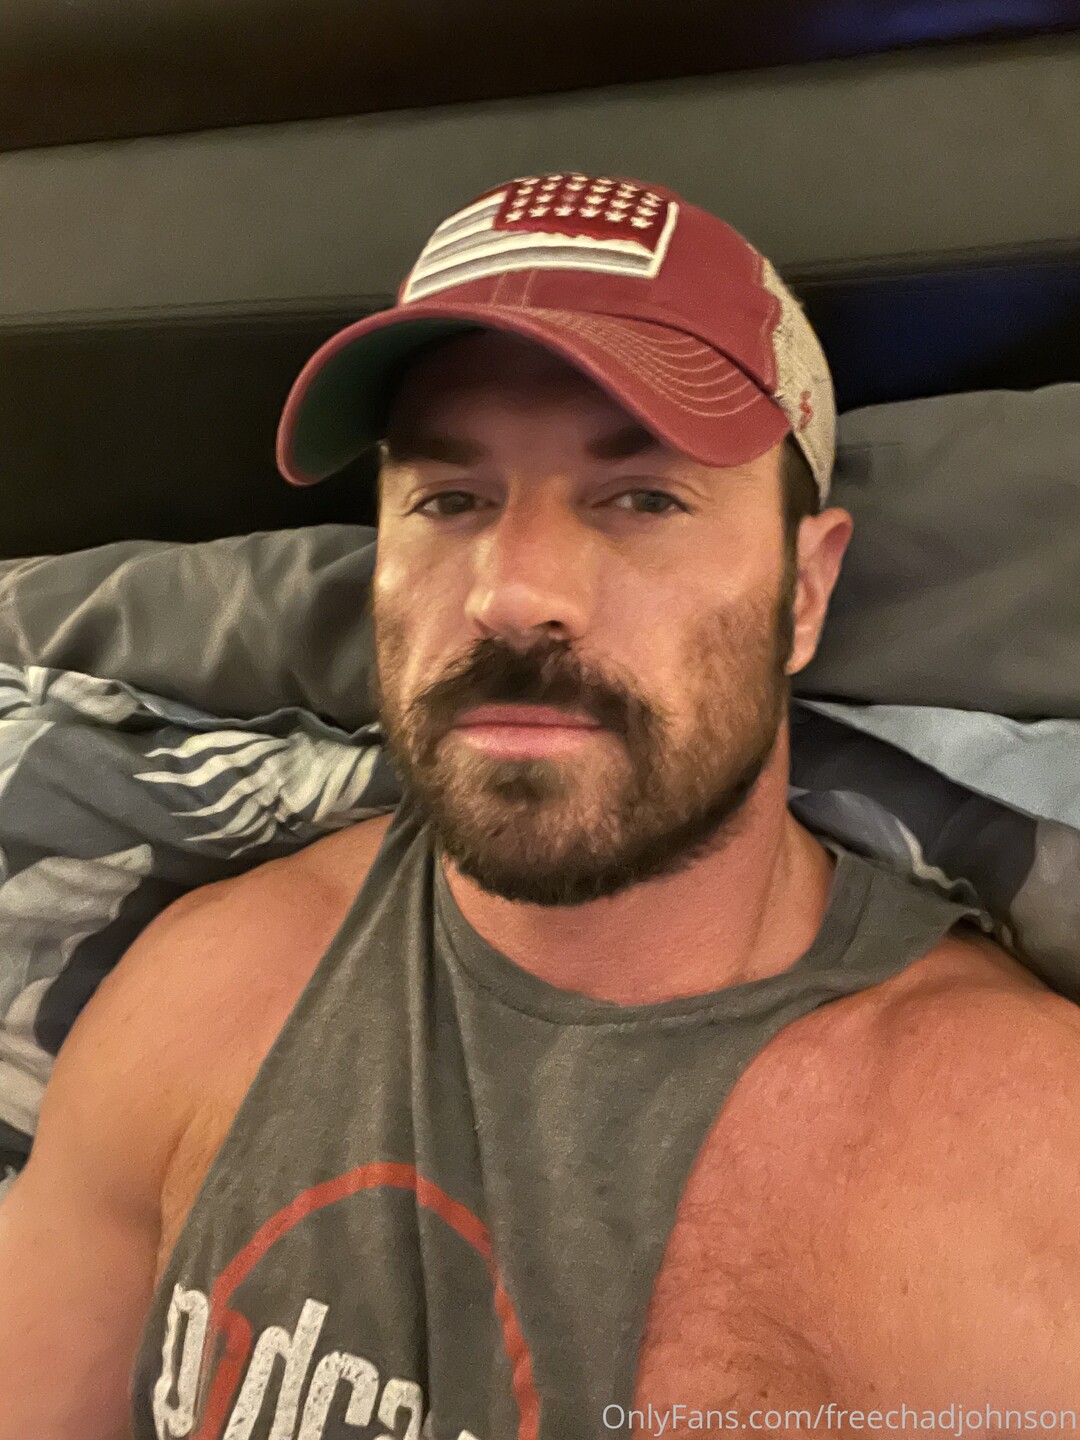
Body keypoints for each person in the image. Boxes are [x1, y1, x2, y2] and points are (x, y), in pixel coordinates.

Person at [1, 173, 1078, 1440]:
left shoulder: (1022, 1164)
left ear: (804, 592)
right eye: (450, 501)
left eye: (644, 498)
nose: (512, 595)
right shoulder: (199, 995)